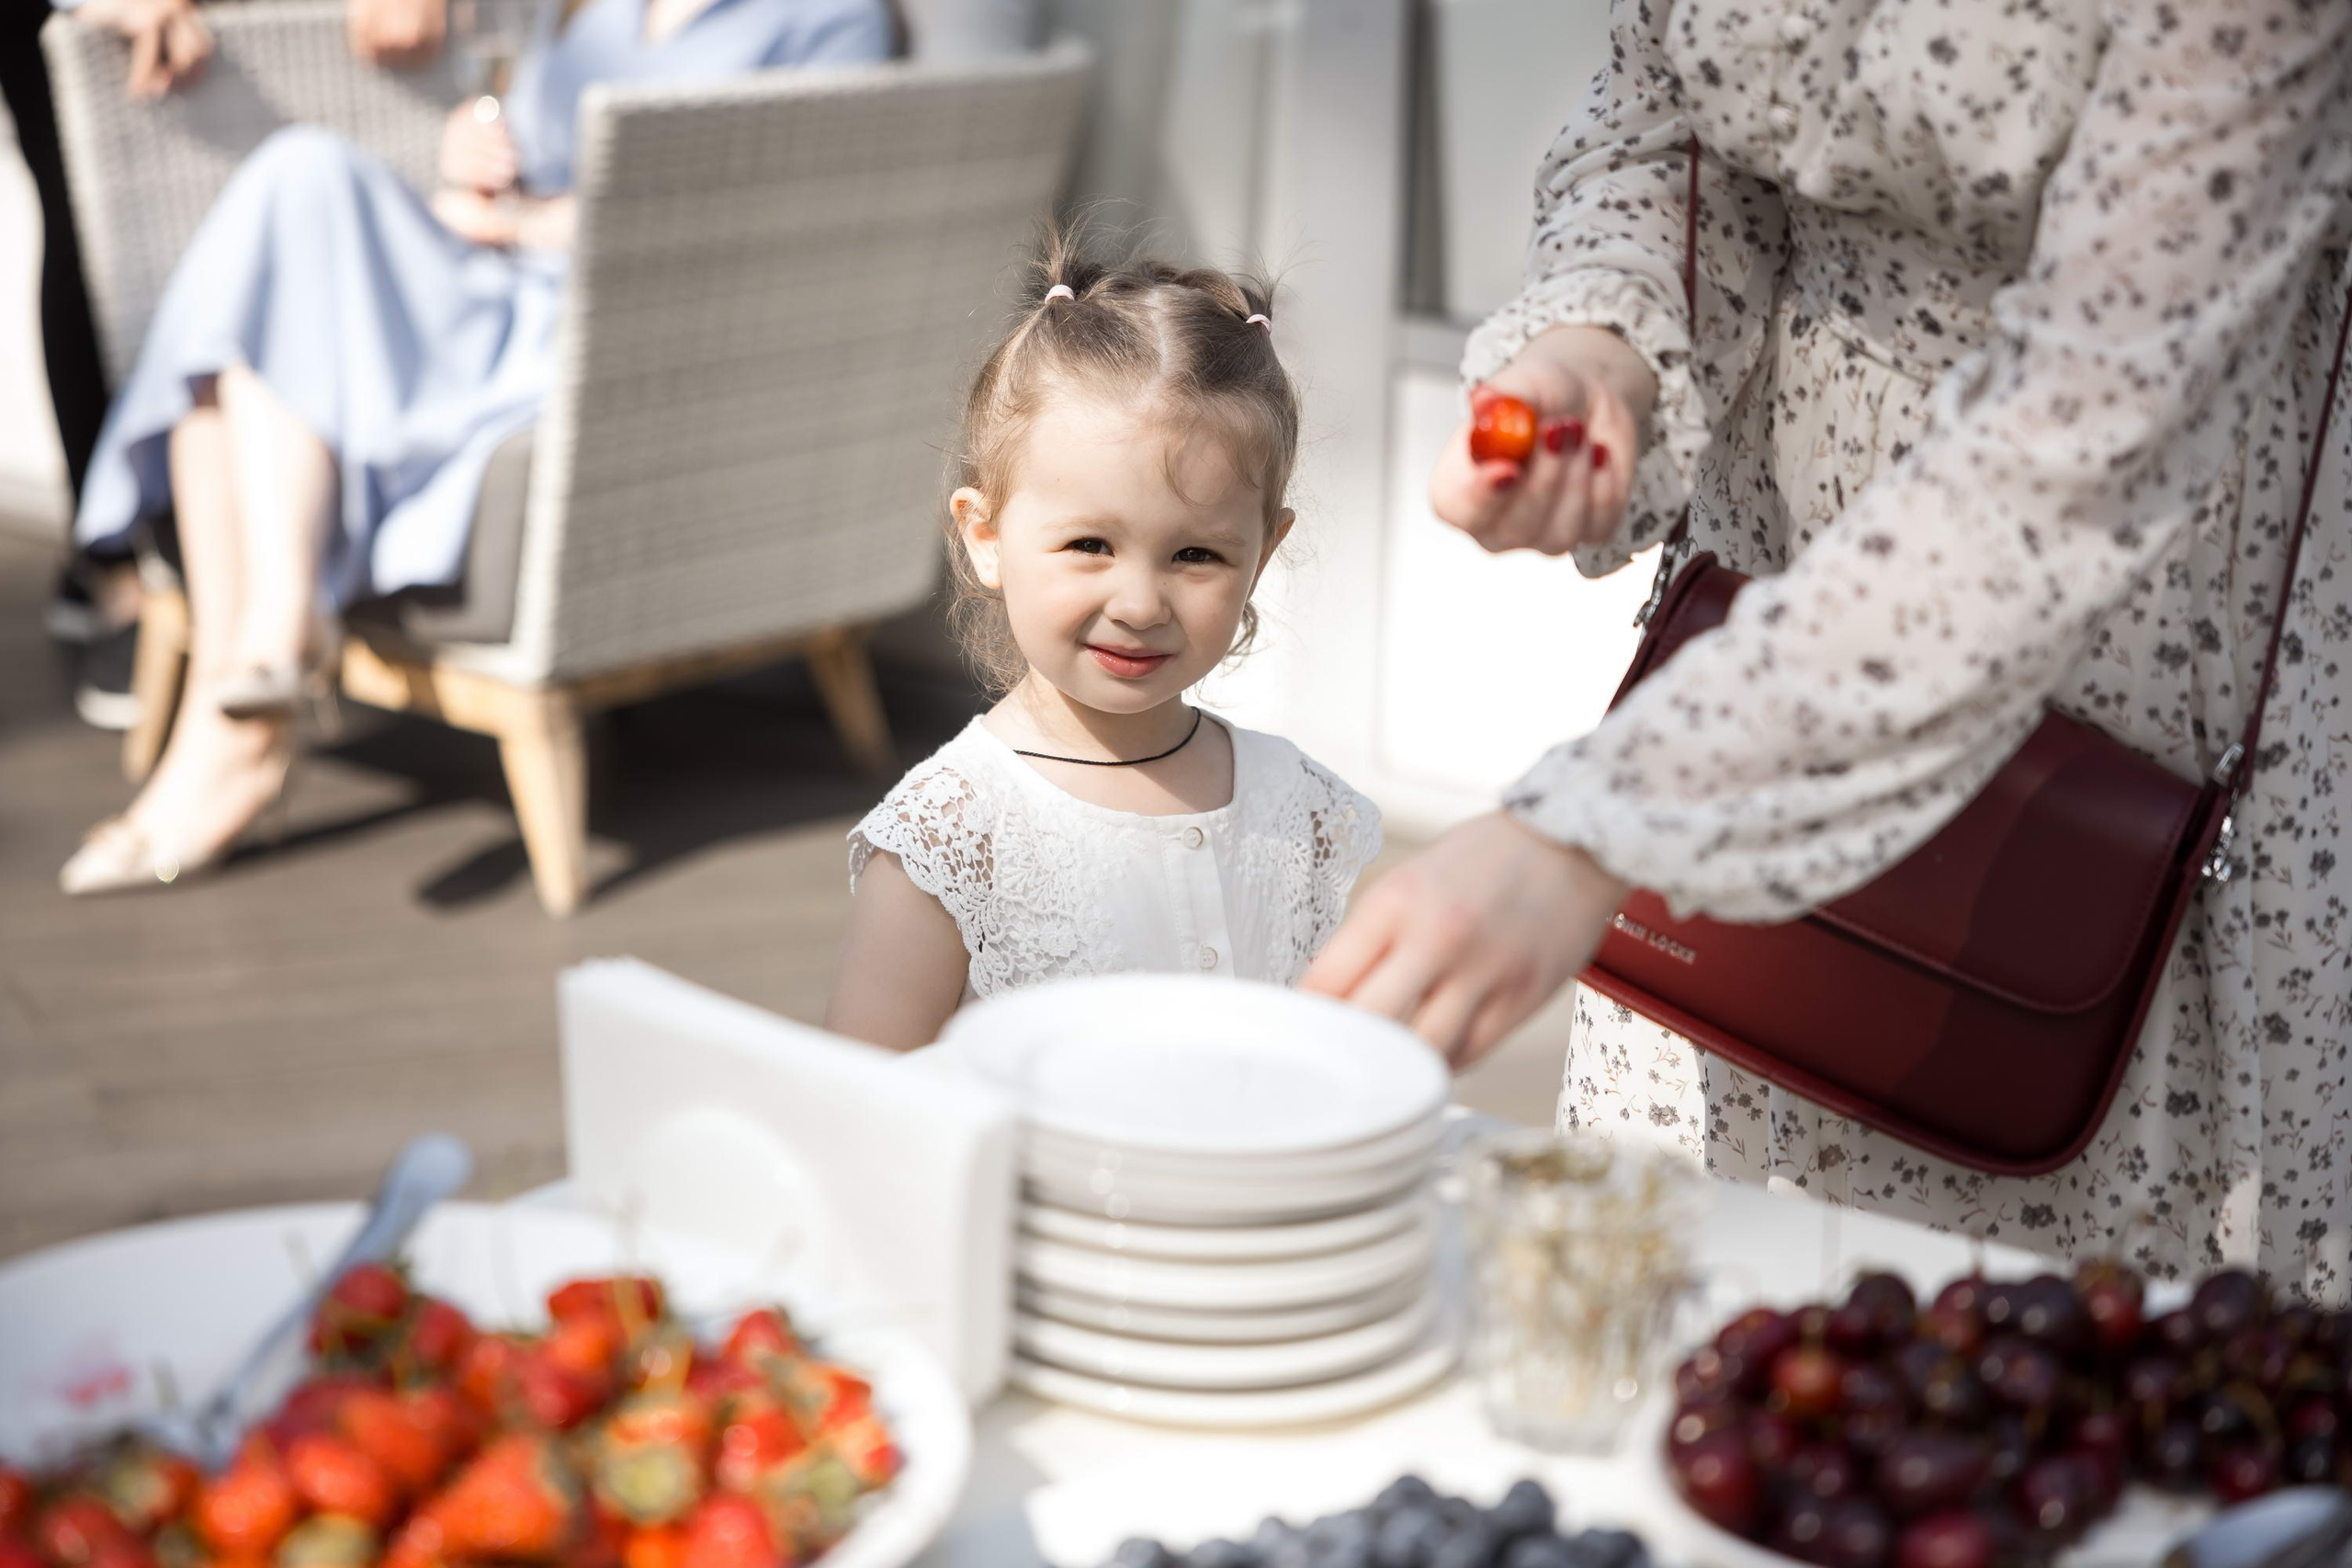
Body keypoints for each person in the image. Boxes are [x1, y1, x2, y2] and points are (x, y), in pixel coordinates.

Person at [1306, 0, 2352, 1294]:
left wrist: (1601, 825)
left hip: (2140, 648)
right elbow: (1670, 117)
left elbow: (2091, 429)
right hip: (1765, 636)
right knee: (1713, 1334)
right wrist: (1609, 339)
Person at [56, 0, 893, 895]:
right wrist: (472, 151)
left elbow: (786, 218)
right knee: (296, 184)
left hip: (608, 332)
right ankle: (260, 667)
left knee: (240, 362)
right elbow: (517, 138)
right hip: (490, 294)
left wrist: (537, 224)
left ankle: (231, 736)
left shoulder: (829, 18)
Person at [826, 242, 1383, 1050]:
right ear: (986, 535)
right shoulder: (951, 840)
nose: (1138, 603)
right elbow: (866, 1104)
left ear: (1261, 555)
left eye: (1196, 555)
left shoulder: (1298, 811)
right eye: (1090, 543)